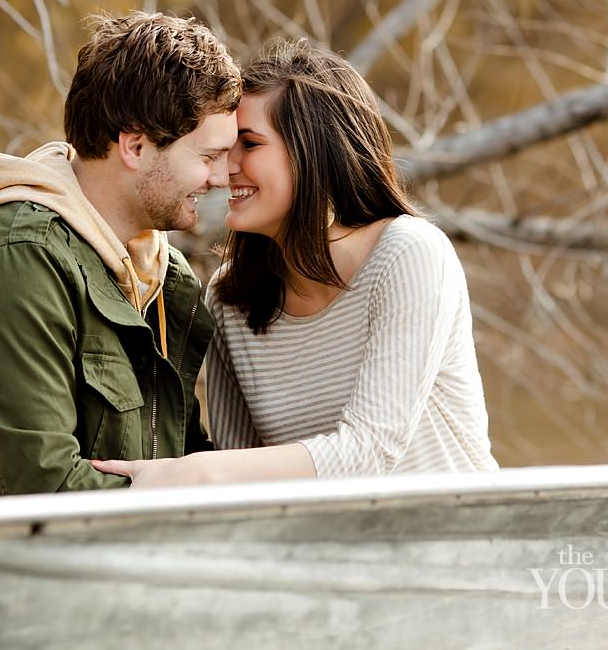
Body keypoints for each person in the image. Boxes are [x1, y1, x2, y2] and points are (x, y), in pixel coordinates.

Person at [93, 39, 497, 487]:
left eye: (249, 144)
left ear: (313, 152)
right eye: (225, 148)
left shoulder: (409, 254)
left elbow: (370, 449)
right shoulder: (230, 298)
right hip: (321, 554)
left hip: (461, 542)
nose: (225, 169)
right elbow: (242, 468)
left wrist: (196, 472)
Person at [0, 11, 241, 498]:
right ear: (135, 145)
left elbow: (180, 456)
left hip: (131, 565)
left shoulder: (164, 279)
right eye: (208, 157)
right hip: (1, 572)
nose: (220, 178)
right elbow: (50, 489)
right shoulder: (13, 262)